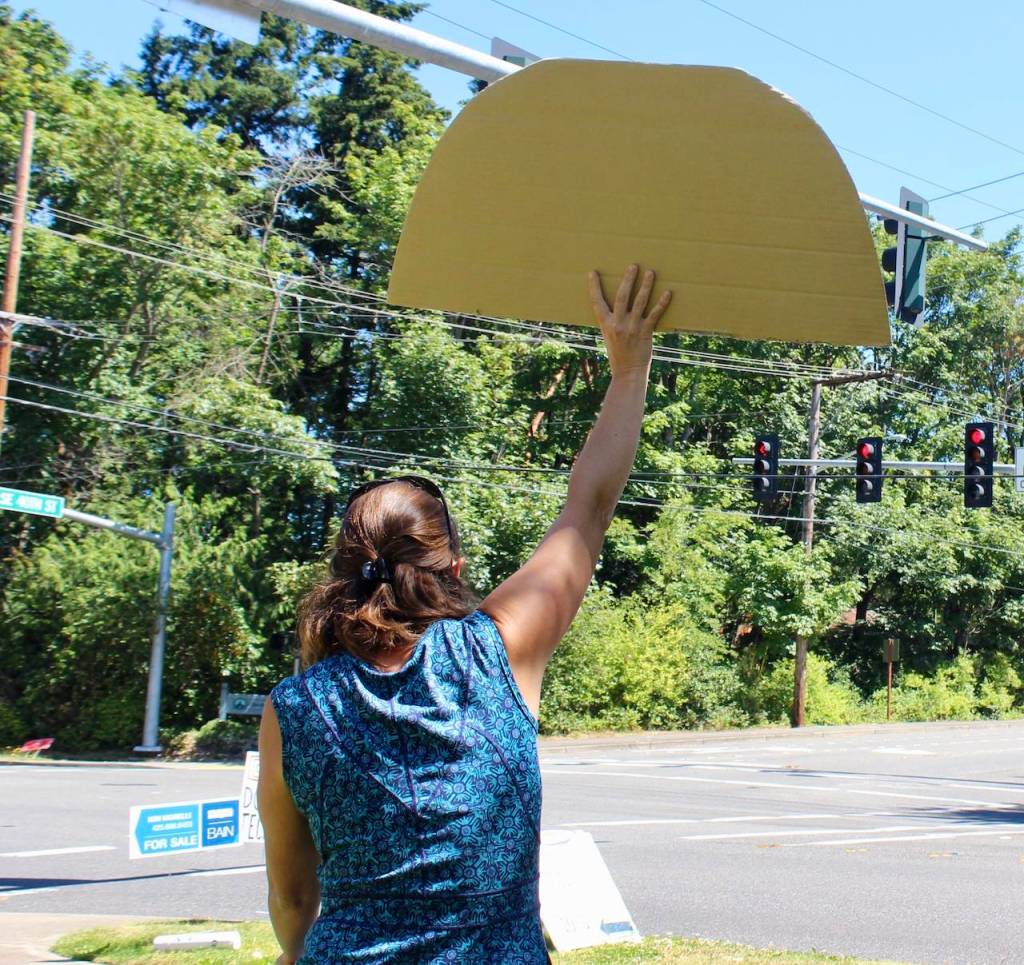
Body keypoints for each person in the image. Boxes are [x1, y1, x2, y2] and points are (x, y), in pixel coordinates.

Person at [258, 264, 672, 964]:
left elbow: (294, 902)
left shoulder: (293, 708)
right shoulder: (497, 654)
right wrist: (629, 370)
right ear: (452, 568)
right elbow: (590, 506)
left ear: (342, 572)